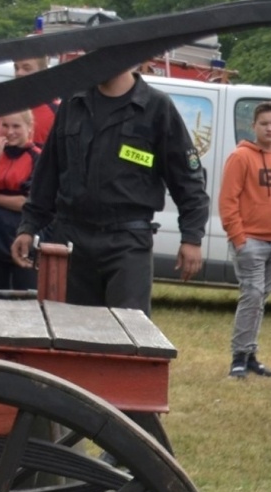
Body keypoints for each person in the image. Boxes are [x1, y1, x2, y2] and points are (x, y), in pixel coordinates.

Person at [12, 68, 208, 313]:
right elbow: (47, 173)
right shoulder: (73, 103)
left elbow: (188, 180)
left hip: (127, 242)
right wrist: (28, 227)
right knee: (71, 333)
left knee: (128, 336)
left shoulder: (156, 107)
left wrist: (192, 237)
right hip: (72, 239)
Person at [219, 101, 271, 379]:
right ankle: (238, 358)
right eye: (264, 123)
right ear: (254, 126)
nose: (269, 128)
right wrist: (239, 238)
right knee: (251, 296)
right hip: (250, 241)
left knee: (259, 298)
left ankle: (250, 355)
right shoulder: (240, 157)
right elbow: (228, 201)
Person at [0, 110, 41, 291]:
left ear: (29, 128)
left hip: (24, 238)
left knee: (24, 297)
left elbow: (27, 203)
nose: (10, 132)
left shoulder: (37, 156)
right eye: (5, 125)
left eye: (16, 126)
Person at [0, 57, 59, 148]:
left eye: (26, 68)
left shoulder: (58, 112)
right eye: (16, 68)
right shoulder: (0, 108)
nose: (19, 73)